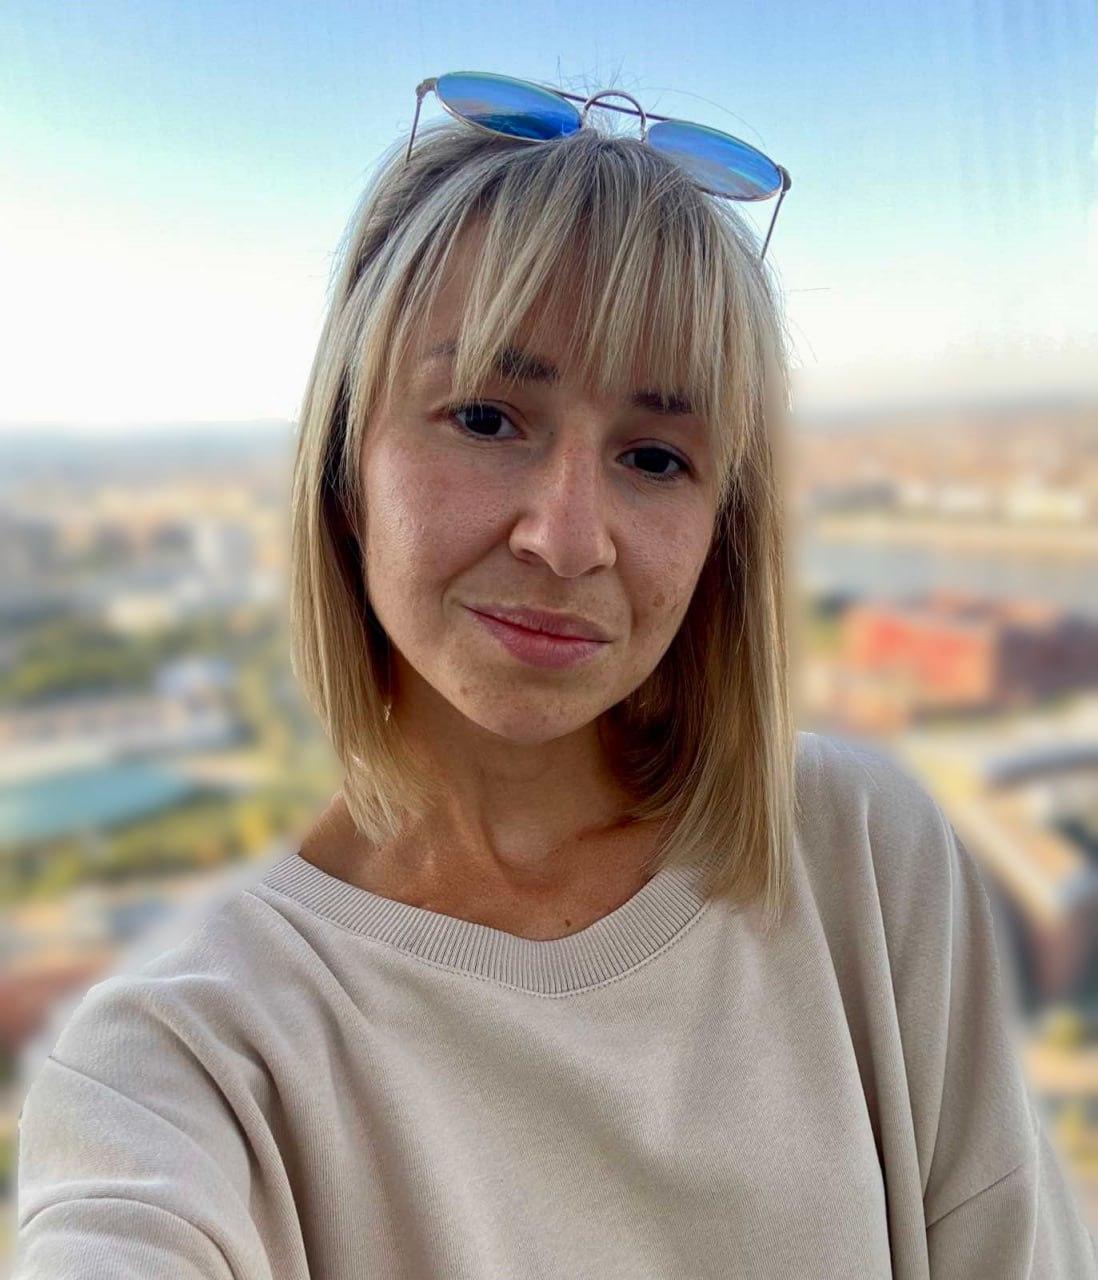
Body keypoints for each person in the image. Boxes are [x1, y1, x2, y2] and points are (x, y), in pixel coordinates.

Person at [14, 81, 1097, 1280]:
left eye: (655, 456)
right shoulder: (183, 1059)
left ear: (721, 529)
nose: (569, 538)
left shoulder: (859, 855)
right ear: (347, 462)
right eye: (486, 416)